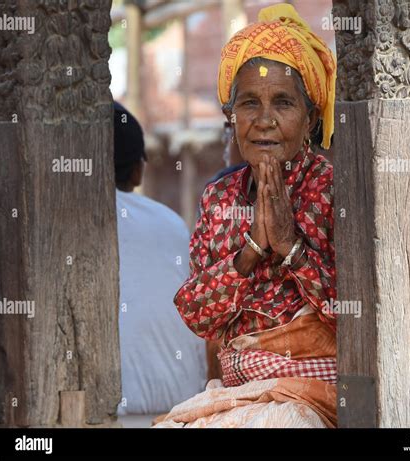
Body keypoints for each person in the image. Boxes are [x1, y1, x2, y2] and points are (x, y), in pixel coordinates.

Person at [154, 3, 337, 428]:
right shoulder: (220, 197)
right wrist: (251, 251)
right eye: (249, 103)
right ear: (230, 117)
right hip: (237, 397)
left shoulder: (334, 191)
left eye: (284, 103)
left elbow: (357, 314)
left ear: (310, 119)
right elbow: (197, 313)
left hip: (314, 398)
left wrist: (292, 247)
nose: (265, 120)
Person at [113, 102, 207, 423]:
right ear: (139, 169)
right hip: (180, 409)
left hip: (103, 411)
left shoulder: (64, 221)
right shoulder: (172, 224)